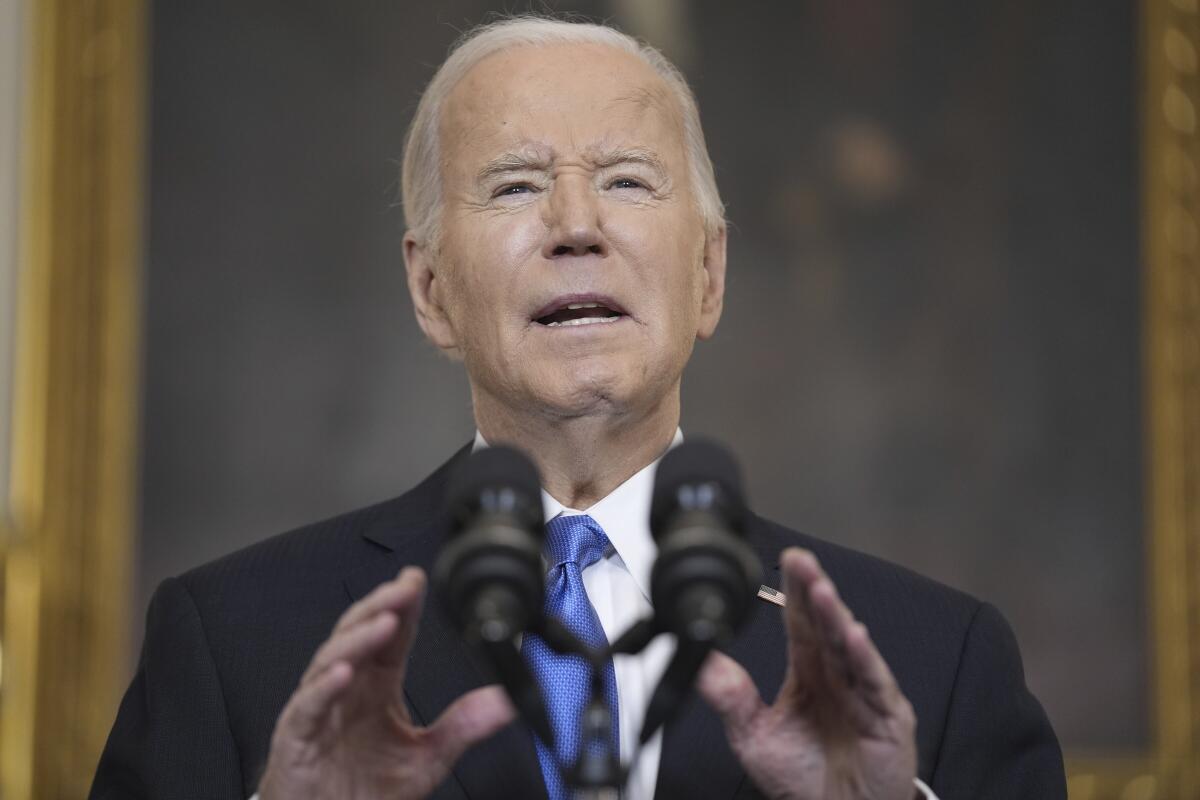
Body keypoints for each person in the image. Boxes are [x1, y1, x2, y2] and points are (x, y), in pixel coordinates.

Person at [90, 16, 1065, 800]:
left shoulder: (936, 659)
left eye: (627, 181)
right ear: (432, 291)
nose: (576, 224)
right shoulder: (233, 644)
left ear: (710, 272)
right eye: (515, 185)